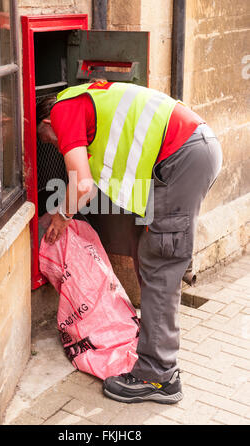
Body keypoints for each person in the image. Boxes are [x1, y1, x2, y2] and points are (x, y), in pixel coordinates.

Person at [36, 79, 223, 404]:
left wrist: (61, 215)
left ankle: (158, 376)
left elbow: (81, 186)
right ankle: (158, 356)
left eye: (46, 139)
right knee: (151, 256)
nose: (54, 146)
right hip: (185, 154)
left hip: (183, 156)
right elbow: (107, 180)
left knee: (160, 263)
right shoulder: (87, 103)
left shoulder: (65, 110)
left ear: (48, 121)